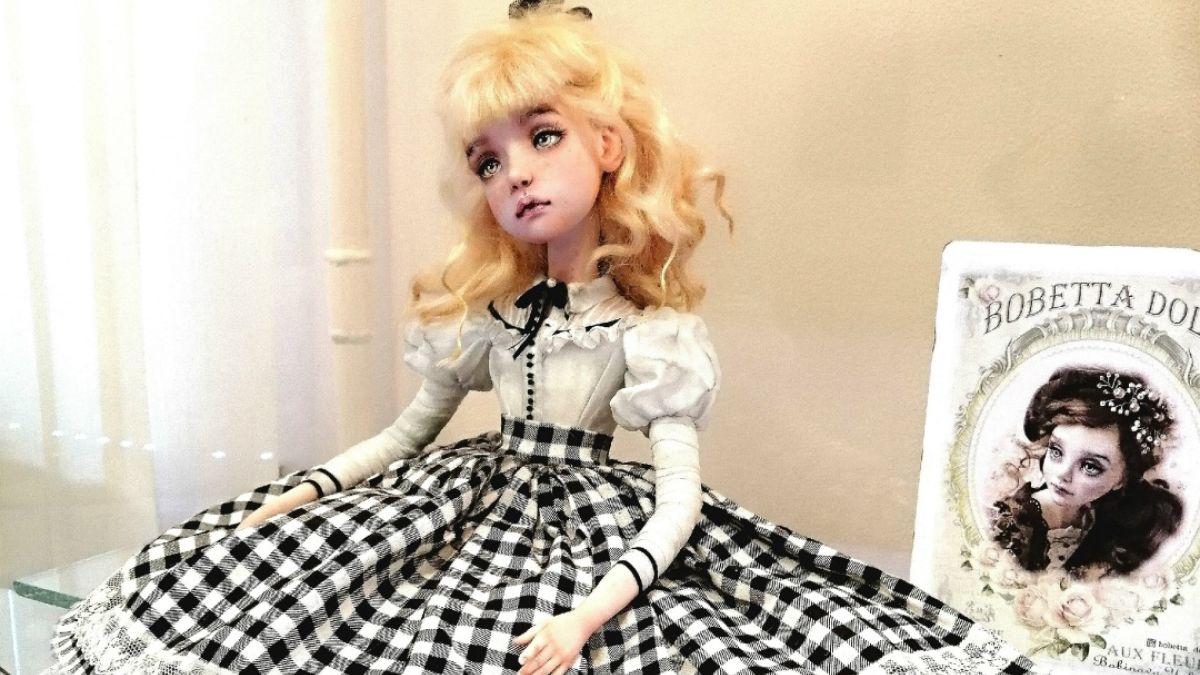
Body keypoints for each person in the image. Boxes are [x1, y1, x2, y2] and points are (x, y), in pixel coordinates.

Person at [52, 8, 1036, 674]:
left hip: (598, 530)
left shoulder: (652, 335)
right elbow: (406, 436)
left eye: (543, 135)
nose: (515, 173)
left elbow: (680, 502)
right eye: (488, 160)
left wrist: (587, 613)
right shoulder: (492, 315)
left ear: (609, 145)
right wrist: (303, 495)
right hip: (467, 501)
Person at [990, 366, 1184, 576]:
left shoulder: (1107, 519)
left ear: (1122, 479)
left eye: (1090, 466)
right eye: (1056, 451)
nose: (1063, 474)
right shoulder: (1012, 525)